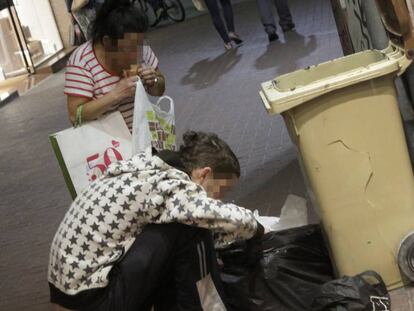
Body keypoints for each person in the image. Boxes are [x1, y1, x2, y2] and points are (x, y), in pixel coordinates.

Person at [48, 130, 264, 311]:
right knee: (189, 229)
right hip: (94, 298)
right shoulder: (171, 184)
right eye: (222, 190)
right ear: (204, 174)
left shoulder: (146, 170)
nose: (220, 198)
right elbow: (210, 214)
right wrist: (256, 229)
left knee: (180, 227)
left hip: (71, 291)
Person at [64, 0, 165, 131]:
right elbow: (74, 116)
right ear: (106, 42)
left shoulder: (139, 46)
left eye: (139, 45)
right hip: (109, 147)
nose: (135, 55)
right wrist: (116, 94)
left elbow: (160, 90)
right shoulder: (81, 62)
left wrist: (154, 81)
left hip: (146, 135)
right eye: (127, 49)